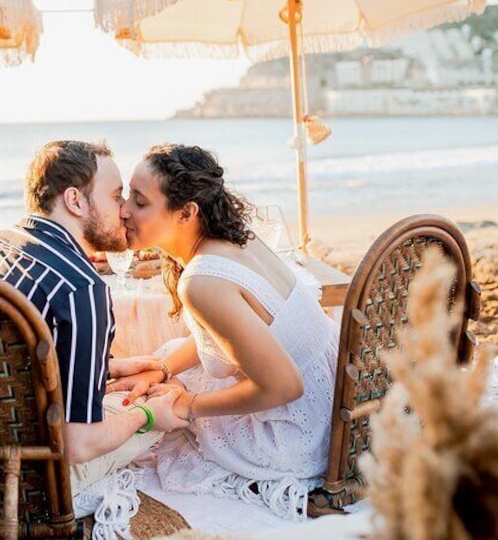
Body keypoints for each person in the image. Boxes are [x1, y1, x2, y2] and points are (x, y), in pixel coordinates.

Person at [113, 143, 339, 520]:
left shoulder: (202, 281)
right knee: (169, 359)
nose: (123, 211)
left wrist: (188, 407)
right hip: (331, 406)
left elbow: (284, 386)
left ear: (186, 212)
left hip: (297, 435)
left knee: (168, 418)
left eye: (139, 201)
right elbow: (227, 336)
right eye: (125, 197)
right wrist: (164, 368)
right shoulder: (237, 238)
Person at [0, 140, 186, 498]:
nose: (124, 211)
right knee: (167, 394)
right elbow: (78, 445)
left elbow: (13, 356)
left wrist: (107, 366)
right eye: (117, 197)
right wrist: (146, 416)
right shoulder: (80, 289)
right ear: (75, 201)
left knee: (137, 379)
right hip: (24, 482)